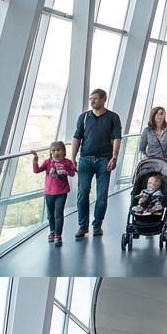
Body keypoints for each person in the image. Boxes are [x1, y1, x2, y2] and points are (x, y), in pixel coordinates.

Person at [71, 88, 122, 239]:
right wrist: (72, 157)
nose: (92, 101)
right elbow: (77, 137)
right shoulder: (84, 117)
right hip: (85, 159)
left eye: (95, 98)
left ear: (104, 99)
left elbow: (117, 138)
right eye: (90, 99)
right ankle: (83, 226)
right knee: (82, 192)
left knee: (102, 194)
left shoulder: (113, 117)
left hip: (104, 159)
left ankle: (97, 224)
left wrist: (114, 157)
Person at [31, 141, 76, 246]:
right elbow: (36, 170)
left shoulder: (67, 162)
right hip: (49, 192)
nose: (56, 153)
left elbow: (72, 173)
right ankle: (52, 231)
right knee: (50, 214)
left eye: (59, 150)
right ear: (51, 152)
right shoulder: (48, 162)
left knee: (58, 214)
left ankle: (58, 235)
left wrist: (66, 171)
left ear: (63, 151)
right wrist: (35, 159)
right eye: (54, 151)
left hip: (62, 192)